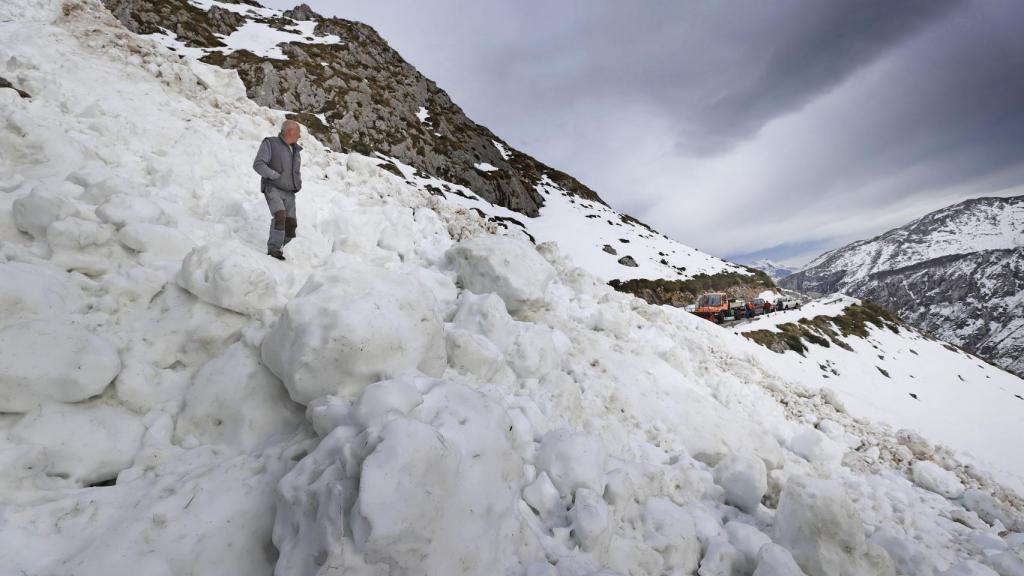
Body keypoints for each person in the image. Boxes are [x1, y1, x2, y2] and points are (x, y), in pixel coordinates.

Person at [253, 120, 303, 260]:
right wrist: (274, 176)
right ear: (289, 131)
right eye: (298, 133)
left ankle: (285, 249)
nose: (299, 137)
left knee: (291, 225)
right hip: (273, 188)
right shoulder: (270, 143)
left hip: (290, 193)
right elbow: (258, 164)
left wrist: (297, 183)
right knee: (280, 215)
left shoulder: (296, 150)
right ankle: (274, 249)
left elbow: (295, 171)